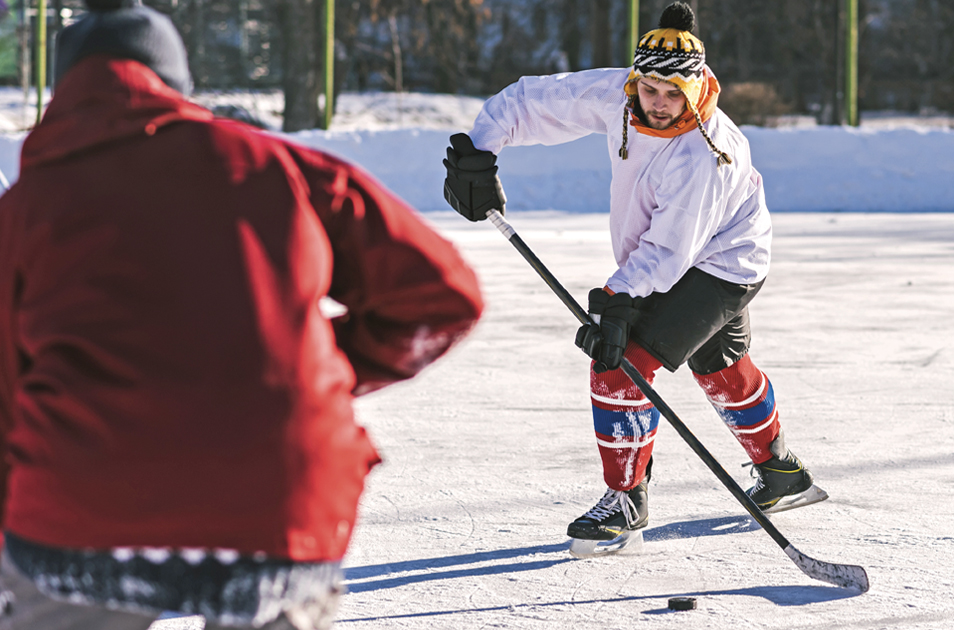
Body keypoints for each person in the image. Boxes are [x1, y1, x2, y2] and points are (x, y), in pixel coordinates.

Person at [0, 1, 484, 628]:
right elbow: (444, 294)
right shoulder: (276, 167)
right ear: (178, 85)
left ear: (62, 92)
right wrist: (324, 368)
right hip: (279, 506)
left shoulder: (25, 210)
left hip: (82, 506)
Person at [443, 1, 818, 547]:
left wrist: (615, 300)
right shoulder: (621, 96)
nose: (660, 104)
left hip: (721, 262)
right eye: (650, 90)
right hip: (678, 253)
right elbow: (533, 101)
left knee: (619, 366)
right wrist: (480, 150)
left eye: (674, 95)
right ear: (635, 81)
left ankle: (625, 499)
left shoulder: (707, 153)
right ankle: (784, 473)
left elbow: (668, 253)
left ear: (695, 91)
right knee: (720, 361)